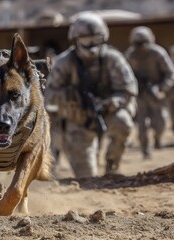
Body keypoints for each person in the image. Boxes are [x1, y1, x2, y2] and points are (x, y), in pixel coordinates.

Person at [45, 12, 138, 177]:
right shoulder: (64, 62)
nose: (92, 47)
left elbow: (129, 89)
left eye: (96, 40)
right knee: (87, 178)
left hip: (108, 111)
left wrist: (113, 102)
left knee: (123, 122)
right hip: (77, 119)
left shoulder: (113, 59)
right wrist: (71, 97)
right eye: (86, 41)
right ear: (76, 40)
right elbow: (49, 96)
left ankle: (112, 165)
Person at [124, 26, 174, 159]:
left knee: (160, 124)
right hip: (140, 95)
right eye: (137, 44)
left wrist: (162, 89)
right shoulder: (130, 54)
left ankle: (158, 138)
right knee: (142, 126)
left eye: (143, 43)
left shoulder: (158, 53)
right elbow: (125, 74)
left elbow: (170, 73)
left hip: (157, 94)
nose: (141, 47)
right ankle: (146, 150)